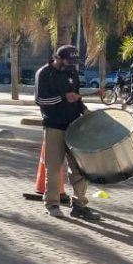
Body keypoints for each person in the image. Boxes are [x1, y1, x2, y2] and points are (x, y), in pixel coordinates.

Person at [34, 45, 101, 221]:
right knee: (54, 168)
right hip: (54, 126)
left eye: (74, 63)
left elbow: (76, 96)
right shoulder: (44, 73)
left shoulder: (72, 73)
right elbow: (40, 100)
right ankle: (52, 204)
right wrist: (63, 98)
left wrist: (84, 110)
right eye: (68, 62)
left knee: (80, 168)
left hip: (74, 126)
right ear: (57, 58)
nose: (71, 66)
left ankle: (79, 205)